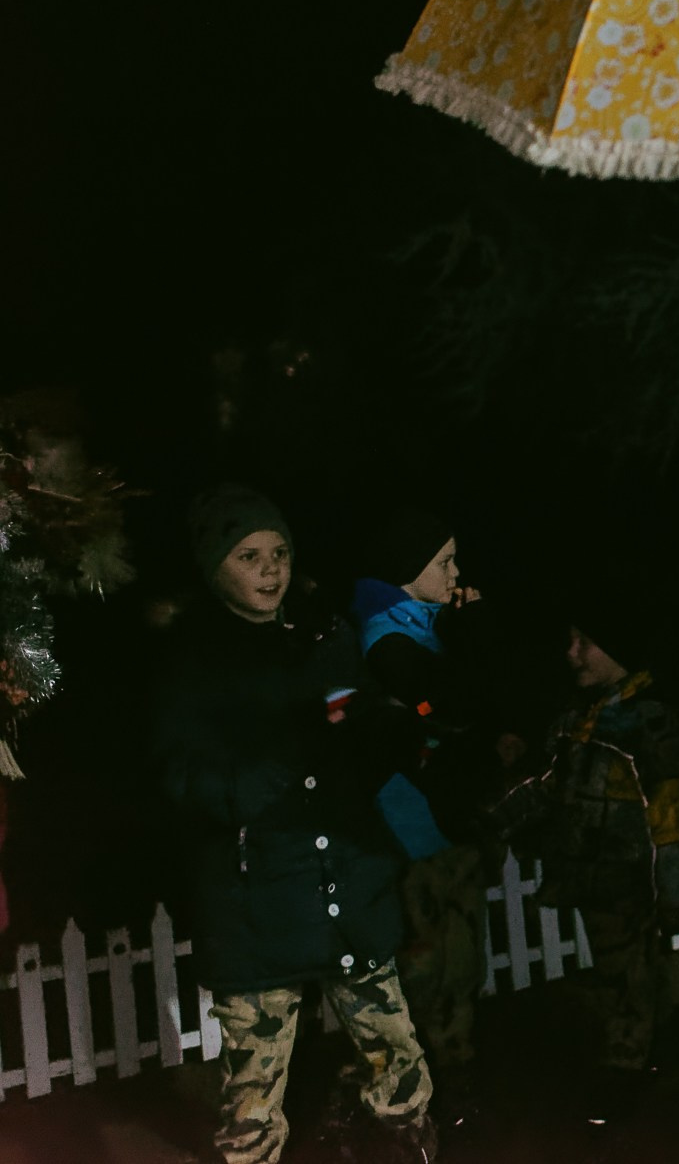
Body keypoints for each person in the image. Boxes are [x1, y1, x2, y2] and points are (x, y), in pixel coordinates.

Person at [154, 485, 436, 1164]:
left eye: (279, 551)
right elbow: (182, 773)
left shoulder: (323, 632)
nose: (270, 569)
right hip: (257, 900)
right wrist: (263, 768)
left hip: (344, 879)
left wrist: (386, 728)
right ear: (212, 565)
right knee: (253, 1090)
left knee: (396, 1054)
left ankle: (403, 1141)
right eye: (248, 555)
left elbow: (354, 725)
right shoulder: (193, 657)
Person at [489, 596, 679, 1121]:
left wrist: (676, 887)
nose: (573, 652)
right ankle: (668, 1037)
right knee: (630, 966)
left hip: (629, 876)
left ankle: (625, 1068)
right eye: (570, 640)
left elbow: (671, 810)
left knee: (622, 973)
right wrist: (503, 809)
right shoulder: (578, 718)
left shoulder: (649, 723)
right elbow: (550, 785)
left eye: (586, 642)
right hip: (590, 872)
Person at [348, 508, 493, 1101]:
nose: (456, 571)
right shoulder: (389, 638)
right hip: (414, 826)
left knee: (458, 957)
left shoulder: (424, 622)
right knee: (431, 964)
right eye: (444, 562)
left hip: (443, 820)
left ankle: (452, 1065)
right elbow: (455, 700)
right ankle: (431, 1081)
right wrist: (472, 632)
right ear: (411, 570)